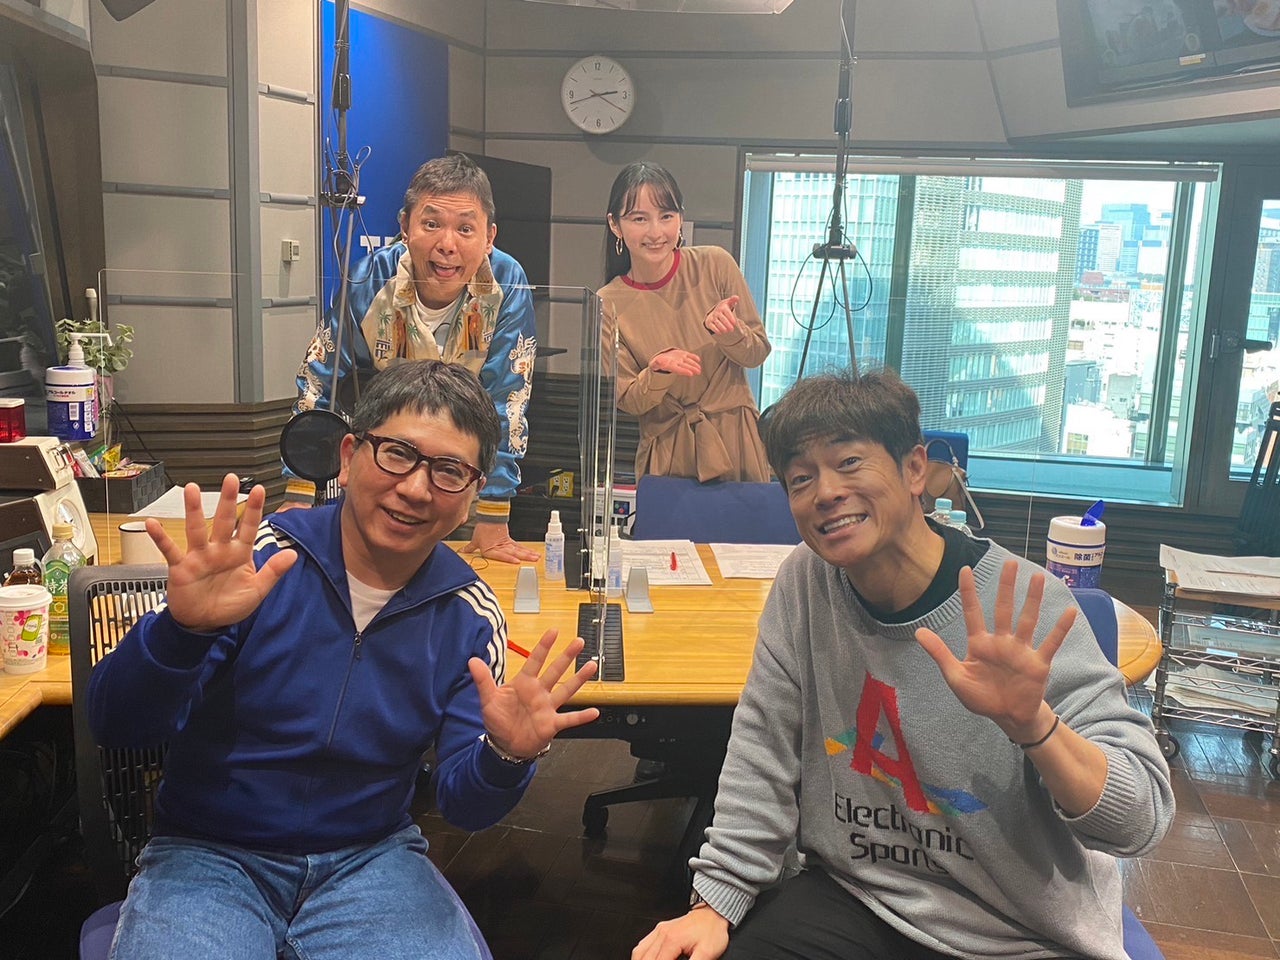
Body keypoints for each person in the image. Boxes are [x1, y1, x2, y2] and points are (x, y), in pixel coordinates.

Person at [633, 369, 1174, 960]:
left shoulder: (1022, 605)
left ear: (915, 469)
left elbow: (1138, 819)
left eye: (849, 463)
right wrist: (715, 902)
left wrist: (1035, 727)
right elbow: (762, 751)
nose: (825, 492)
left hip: (1016, 931)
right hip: (859, 896)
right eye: (801, 478)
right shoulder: (805, 584)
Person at [89, 360, 600, 960]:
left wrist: (506, 756)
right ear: (350, 455)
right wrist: (182, 632)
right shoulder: (258, 565)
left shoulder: (469, 615)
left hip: (369, 857)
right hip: (209, 852)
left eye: (449, 471)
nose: (416, 489)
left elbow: (465, 806)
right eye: (398, 454)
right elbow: (117, 725)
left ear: (471, 495)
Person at [292, 153, 539, 565]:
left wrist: (495, 513)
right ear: (405, 226)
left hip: (460, 475)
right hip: (387, 466)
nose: (447, 244)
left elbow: (509, 399)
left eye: (465, 228)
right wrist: (299, 488)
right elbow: (319, 379)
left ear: (489, 237)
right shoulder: (371, 277)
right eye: (431, 224)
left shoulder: (506, 283)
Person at [600, 161, 772, 483]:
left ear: (680, 218)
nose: (655, 232)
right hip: (668, 450)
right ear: (615, 225)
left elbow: (757, 352)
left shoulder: (715, 264)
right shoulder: (608, 302)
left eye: (666, 216)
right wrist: (658, 371)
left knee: (744, 518)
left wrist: (731, 333)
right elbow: (629, 400)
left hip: (735, 438)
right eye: (639, 219)